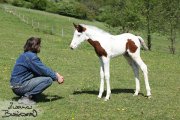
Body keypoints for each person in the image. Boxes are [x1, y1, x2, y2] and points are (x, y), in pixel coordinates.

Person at [10, 37, 64, 105]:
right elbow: (43, 70)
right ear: (34, 46)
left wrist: (56, 74)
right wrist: (56, 77)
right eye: (39, 45)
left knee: (42, 76)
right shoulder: (31, 57)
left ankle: (27, 96)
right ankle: (26, 97)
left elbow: (40, 70)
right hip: (19, 86)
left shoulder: (25, 55)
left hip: (16, 85)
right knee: (48, 80)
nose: (40, 46)